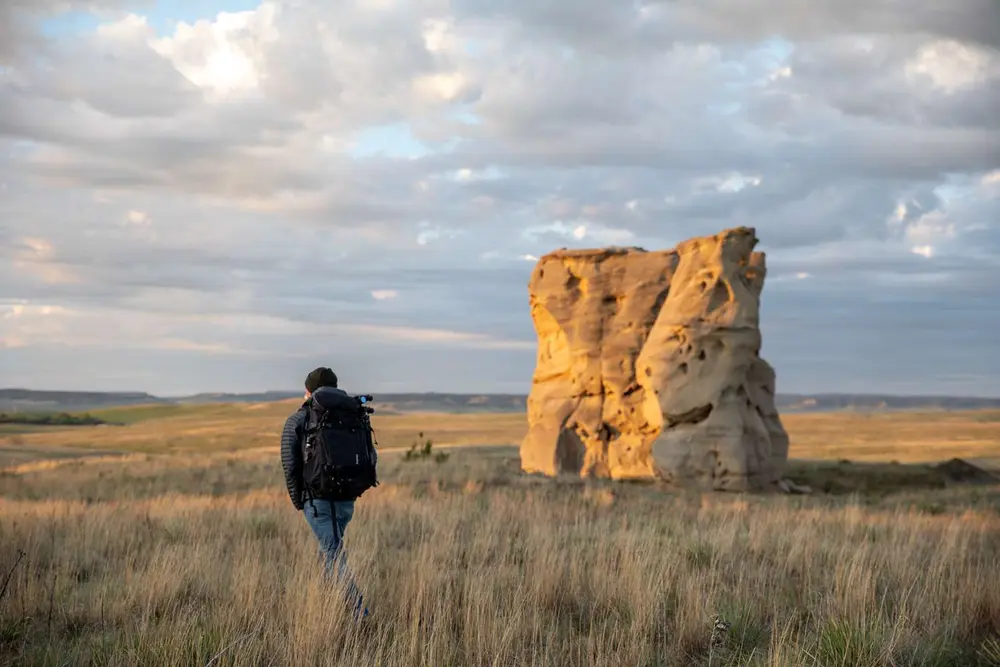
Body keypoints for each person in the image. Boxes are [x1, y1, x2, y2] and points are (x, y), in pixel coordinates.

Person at [280, 366, 369, 619]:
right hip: (347, 499)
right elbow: (369, 455)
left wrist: (299, 501)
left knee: (332, 553)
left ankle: (358, 614)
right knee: (329, 549)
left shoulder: (299, 418)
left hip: (316, 500)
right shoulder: (354, 415)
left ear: (308, 391)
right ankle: (328, 609)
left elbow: (290, 462)